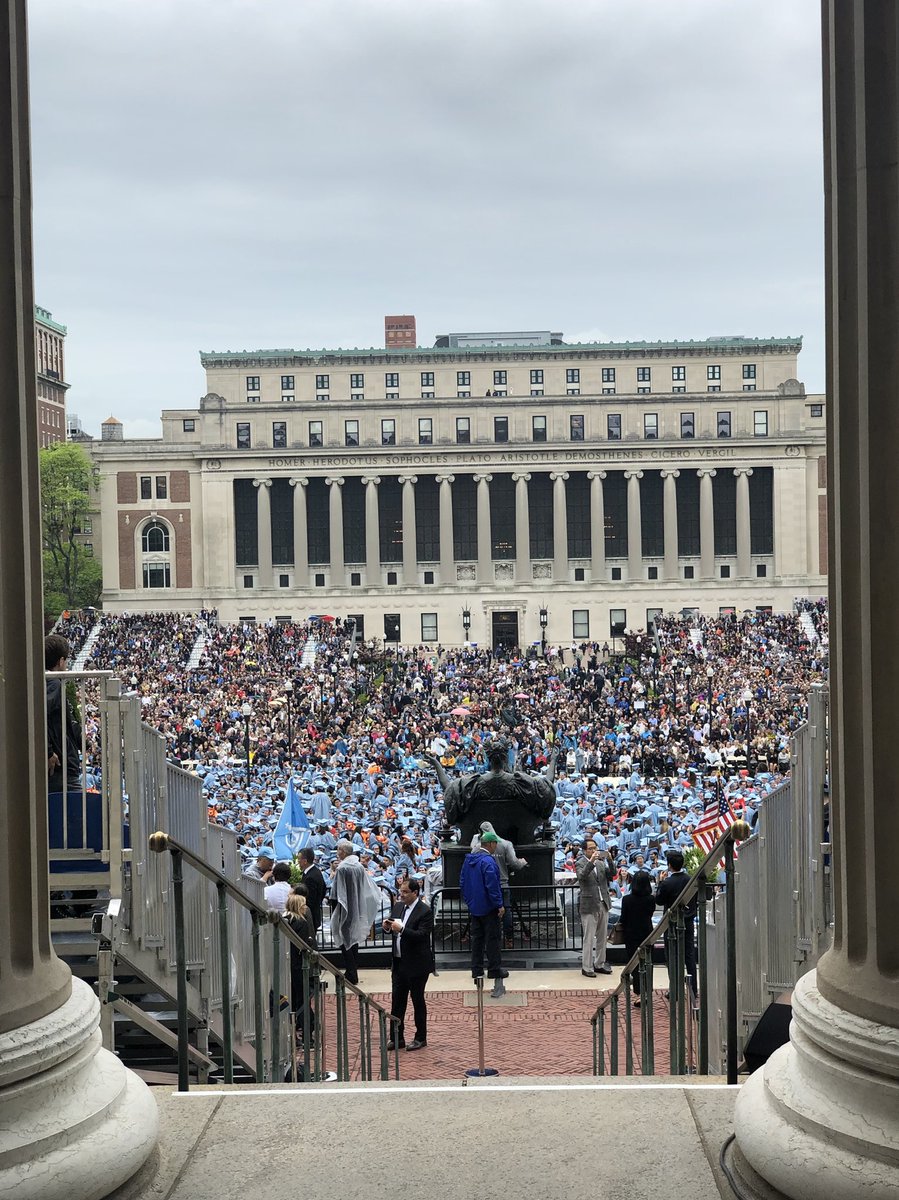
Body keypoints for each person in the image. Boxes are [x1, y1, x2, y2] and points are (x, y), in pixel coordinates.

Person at [383, 877, 434, 1051]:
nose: (401, 895)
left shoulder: (424, 911)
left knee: (417, 1000)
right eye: (400, 892)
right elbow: (393, 926)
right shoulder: (398, 907)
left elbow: (421, 935)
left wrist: (402, 930)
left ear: (415, 893)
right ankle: (396, 1037)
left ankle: (421, 1037)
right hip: (398, 963)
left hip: (417, 964)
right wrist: (387, 927)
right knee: (397, 1001)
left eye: (405, 892)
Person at [459, 830, 509, 998]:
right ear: (491, 844)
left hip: (475, 908)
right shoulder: (488, 861)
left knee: (477, 940)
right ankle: (494, 970)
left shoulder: (468, 861)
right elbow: (492, 886)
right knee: (493, 940)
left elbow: (462, 882)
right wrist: (499, 905)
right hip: (488, 908)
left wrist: (470, 901)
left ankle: (477, 969)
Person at [329, 838, 380, 984]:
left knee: (345, 940)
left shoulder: (343, 868)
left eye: (338, 850)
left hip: (344, 907)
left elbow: (336, 892)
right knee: (353, 938)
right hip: (357, 906)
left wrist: (334, 907)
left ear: (343, 852)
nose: (337, 852)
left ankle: (352, 972)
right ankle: (352, 969)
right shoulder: (358, 866)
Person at [473, 820, 527, 948]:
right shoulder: (506, 844)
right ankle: (509, 938)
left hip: (484, 885)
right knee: (507, 911)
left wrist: (475, 839)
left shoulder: (478, 846)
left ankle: (489, 939)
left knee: (487, 913)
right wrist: (523, 862)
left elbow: (472, 856)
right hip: (502, 884)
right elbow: (514, 863)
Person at [655, 849, 698, 1007]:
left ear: (669, 865)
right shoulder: (690, 880)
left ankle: (675, 990)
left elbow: (659, 901)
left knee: (672, 957)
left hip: (672, 924)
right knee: (689, 955)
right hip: (688, 922)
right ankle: (693, 988)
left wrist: (660, 882)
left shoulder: (667, 883)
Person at [45, 634, 82, 793]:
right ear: (61, 661)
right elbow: (40, 713)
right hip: (61, 765)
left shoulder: (51, 683)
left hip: (62, 762)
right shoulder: (53, 683)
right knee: (79, 813)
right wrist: (48, 751)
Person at [576, 837, 613, 978]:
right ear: (584, 850)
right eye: (590, 848)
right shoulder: (580, 862)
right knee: (589, 937)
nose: (593, 851)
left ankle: (600, 963)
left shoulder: (601, 863)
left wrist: (610, 859)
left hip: (603, 902)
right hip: (589, 904)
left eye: (595, 848)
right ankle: (587, 967)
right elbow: (582, 876)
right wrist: (591, 861)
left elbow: (612, 875)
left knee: (602, 937)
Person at [618, 870, 656, 1006]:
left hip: (631, 935)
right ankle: (648, 990)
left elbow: (623, 918)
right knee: (648, 963)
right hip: (647, 934)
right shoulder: (651, 899)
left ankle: (640, 993)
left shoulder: (626, 899)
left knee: (635, 965)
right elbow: (650, 914)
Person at [298, 846, 326, 932]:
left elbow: (310, 900)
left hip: (310, 918)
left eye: (299, 859)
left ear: (305, 861)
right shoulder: (315, 872)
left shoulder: (311, 877)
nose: (298, 861)